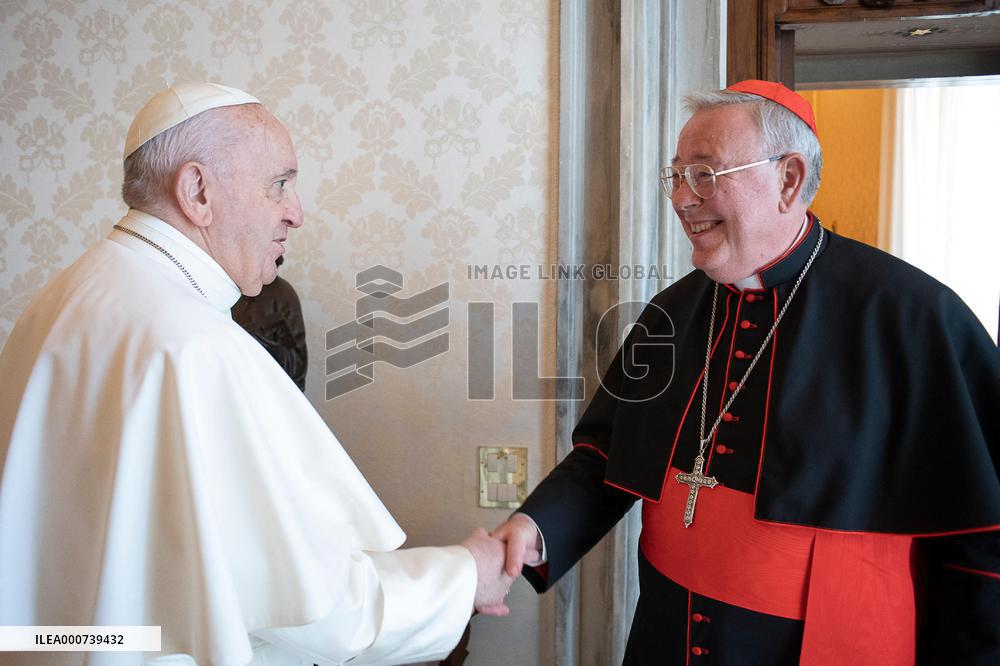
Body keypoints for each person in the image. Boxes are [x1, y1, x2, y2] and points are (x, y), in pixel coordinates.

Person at [0, 82, 515, 666]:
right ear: (197, 191)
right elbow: (314, 610)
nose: (297, 212)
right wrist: (462, 577)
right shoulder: (198, 347)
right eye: (280, 184)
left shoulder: (60, 300)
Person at [493, 80, 1000, 664]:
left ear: (788, 179)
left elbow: (981, 538)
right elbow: (605, 456)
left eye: (705, 174)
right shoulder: (672, 314)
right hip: (668, 634)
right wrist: (534, 529)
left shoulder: (915, 318)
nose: (682, 199)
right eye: (676, 176)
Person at [231, 256, 308, 391]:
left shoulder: (281, 293)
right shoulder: (226, 290)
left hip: (269, 390)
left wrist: (261, 340)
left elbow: (296, 365)